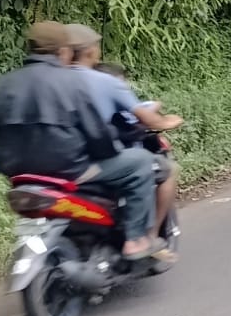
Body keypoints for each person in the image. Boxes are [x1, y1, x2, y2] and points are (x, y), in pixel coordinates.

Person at [0, 22, 166, 260]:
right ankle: (136, 239)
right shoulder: (72, 82)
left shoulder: (0, 85)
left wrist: (5, 155)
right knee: (141, 162)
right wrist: (108, 152)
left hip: (19, 173)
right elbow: (96, 132)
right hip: (70, 169)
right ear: (63, 51)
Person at [64, 25, 183, 243]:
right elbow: (146, 118)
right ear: (91, 51)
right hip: (88, 162)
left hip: (48, 165)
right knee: (155, 167)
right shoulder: (105, 82)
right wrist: (168, 121)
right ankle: (144, 237)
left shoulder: (46, 81)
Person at [94, 62, 181, 240]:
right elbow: (151, 117)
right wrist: (167, 121)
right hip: (116, 160)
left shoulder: (83, 95)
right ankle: (149, 236)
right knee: (168, 170)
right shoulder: (114, 96)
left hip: (78, 161)